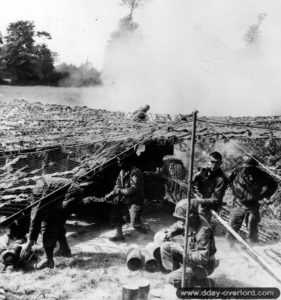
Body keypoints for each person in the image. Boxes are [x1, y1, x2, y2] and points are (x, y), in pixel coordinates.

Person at [20, 178, 85, 269]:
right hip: (73, 192)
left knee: (48, 223)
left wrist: (30, 242)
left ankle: (48, 260)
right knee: (56, 221)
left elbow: (37, 214)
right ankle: (64, 250)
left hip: (71, 193)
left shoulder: (37, 189)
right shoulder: (38, 184)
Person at [160, 198, 217, 288]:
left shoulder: (203, 231)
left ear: (191, 216)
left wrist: (181, 250)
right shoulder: (191, 220)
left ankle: (205, 284)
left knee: (170, 280)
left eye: (183, 219)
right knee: (166, 247)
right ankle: (177, 274)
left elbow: (202, 259)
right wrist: (171, 232)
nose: (182, 221)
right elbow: (179, 224)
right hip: (190, 256)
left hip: (203, 266)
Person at [226, 155, 278, 243]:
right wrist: (234, 190)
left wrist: (263, 195)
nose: (247, 169)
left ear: (255, 167)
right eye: (246, 167)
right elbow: (228, 180)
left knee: (252, 230)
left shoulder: (261, 174)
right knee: (232, 228)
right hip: (238, 204)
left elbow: (273, 185)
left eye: (250, 168)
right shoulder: (237, 171)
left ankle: (253, 248)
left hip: (253, 206)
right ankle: (230, 248)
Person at [105, 152, 147, 241]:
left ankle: (147, 233)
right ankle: (119, 235)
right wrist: (112, 193)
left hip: (135, 200)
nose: (118, 163)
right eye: (118, 161)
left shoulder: (135, 172)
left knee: (134, 224)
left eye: (121, 161)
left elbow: (134, 189)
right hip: (125, 199)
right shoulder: (122, 172)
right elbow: (118, 185)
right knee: (116, 214)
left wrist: (119, 191)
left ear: (127, 161)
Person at [192, 151, 228, 226]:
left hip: (209, 208)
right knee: (192, 226)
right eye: (212, 162)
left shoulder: (221, 179)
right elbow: (189, 182)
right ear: (208, 161)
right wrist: (199, 174)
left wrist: (200, 201)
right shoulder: (202, 169)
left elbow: (215, 200)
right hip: (198, 201)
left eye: (217, 163)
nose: (214, 165)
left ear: (220, 163)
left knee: (204, 230)